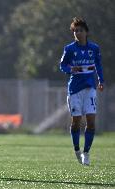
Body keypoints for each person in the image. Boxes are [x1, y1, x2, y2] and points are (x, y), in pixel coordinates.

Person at [60, 17, 104, 165]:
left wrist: (101, 81)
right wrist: (71, 69)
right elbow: (63, 66)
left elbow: (98, 65)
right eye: (75, 31)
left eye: (80, 30)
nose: (77, 33)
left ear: (86, 32)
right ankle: (77, 149)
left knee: (91, 122)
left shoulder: (94, 48)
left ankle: (86, 152)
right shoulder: (69, 49)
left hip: (89, 88)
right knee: (76, 122)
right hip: (74, 89)